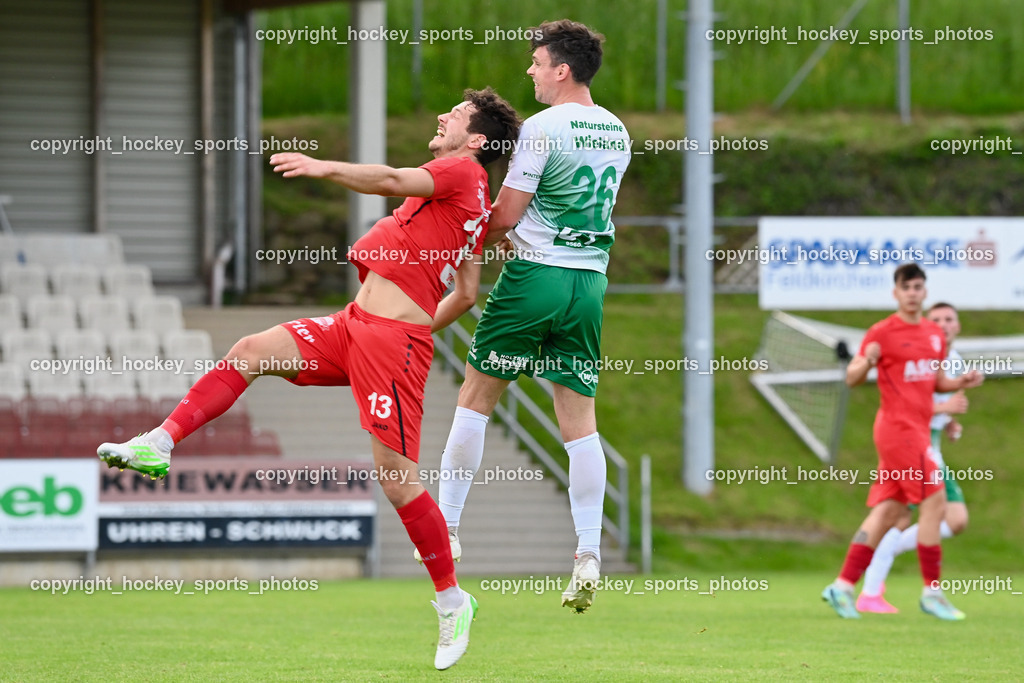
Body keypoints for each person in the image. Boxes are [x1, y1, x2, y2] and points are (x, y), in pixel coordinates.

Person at [96, 88, 521, 670]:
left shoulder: (459, 170)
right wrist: (412, 323)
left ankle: (452, 600)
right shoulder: (470, 198)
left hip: (390, 344)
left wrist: (323, 167)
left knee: (398, 483)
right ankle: (159, 442)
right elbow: (466, 293)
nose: (444, 116)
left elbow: (393, 181)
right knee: (250, 351)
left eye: (458, 115)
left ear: (476, 140)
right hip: (356, 327)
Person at [422, 19, 631, 614]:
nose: (532, 72)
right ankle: (588, 552)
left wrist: (458, 235)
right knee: (580, 423)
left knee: (475, 397)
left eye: (537, 63)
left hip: (536, 276)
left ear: (562, 70)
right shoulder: (616, 131)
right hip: (589, 284)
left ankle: (450, 529)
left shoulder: (542, 127)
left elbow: (508, 215)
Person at [821, 264, 983, 621]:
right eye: (906, 287)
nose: (912, 292)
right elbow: (851, 377)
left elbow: (935, 381)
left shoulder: (932, 334)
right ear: (896, 293)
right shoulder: (883, 331)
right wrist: (868, 363)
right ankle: (932, 592)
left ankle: (843, 585)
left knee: (890, 512)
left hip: (919, 430)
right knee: (935, 498)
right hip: (897, 430)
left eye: (918, 286)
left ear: (925, 292)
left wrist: (961, 383)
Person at [857, 301, 971, 613]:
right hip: (910, 444)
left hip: (932, 445)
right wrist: (945, 410)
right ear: (928, 325)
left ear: (958, 325)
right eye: (937, 319)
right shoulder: (918, 355)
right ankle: (869, 591)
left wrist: (949, 423)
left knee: (956, 519)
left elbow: (934, 403)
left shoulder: (955, 361)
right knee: (897, 515)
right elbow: (908, 405)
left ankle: (885, 556)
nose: (944, 324)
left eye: (950, 318)